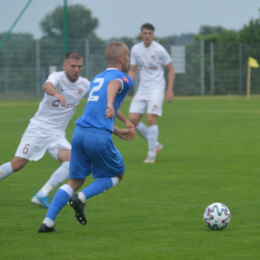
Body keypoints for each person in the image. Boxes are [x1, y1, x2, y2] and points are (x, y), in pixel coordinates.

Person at [0, 50, 132, 209]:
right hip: (38, 130)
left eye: (79, 66)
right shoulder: (56, 77)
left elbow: (102, 102)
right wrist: (56, 93)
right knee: (17, 164)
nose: (76, 70)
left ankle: (42, 193)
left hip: (57, 135)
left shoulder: (85, 84)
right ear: (65, 66)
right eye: (73, 66)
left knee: (71, 162)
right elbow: (46, 86)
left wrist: (123, 121)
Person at [38, 41, 134, 233]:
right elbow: (115, 84)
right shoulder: (124, 78)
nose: (129, 60)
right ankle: (81, 198)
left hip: (80, 133)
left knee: (75, 180)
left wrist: (118, 130)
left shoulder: (98, 77)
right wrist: (110, 103)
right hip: (97, 136)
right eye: (128, 57)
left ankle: (48, 222)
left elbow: (95, 115)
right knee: (118, 174)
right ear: (122, 59)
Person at [128, 23, 175, 163]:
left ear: (153, 35)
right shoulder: (136, 49)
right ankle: (156, 144)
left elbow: (171, 69)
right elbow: (132, 70)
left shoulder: (159, 50)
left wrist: (170, 89)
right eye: (145, 33)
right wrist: (126, 87)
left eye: (150, 33)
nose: (147, 36)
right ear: (141, 34)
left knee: (150, 119)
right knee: (133, 119)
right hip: (142, 89)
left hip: (157, 88)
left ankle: (151, 154)